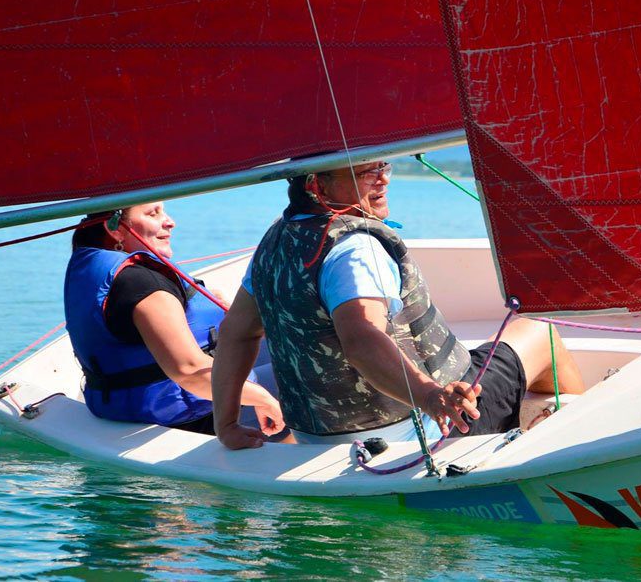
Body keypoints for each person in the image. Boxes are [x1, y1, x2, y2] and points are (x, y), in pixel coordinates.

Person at [211, 162, 584, 449]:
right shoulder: (355, 249)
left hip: (317, 438)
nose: (383, 179)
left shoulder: (276, 241)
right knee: (541, 332)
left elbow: (237, 334)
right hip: (421, 429)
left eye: (383, 166)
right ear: (316, 185)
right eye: (366, 171)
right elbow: (362, 340)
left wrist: (225, 424)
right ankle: (580, 436)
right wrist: (431, 397)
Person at [64, 201, 287, 437]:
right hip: (197, 416)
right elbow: (189, 370)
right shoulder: (141, 286)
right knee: (317, 370)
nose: (170, 222)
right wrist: (264, 399)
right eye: (153, 213)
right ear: (115, 228)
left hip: (137, 404)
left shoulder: (98, 265)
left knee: (287, 344)